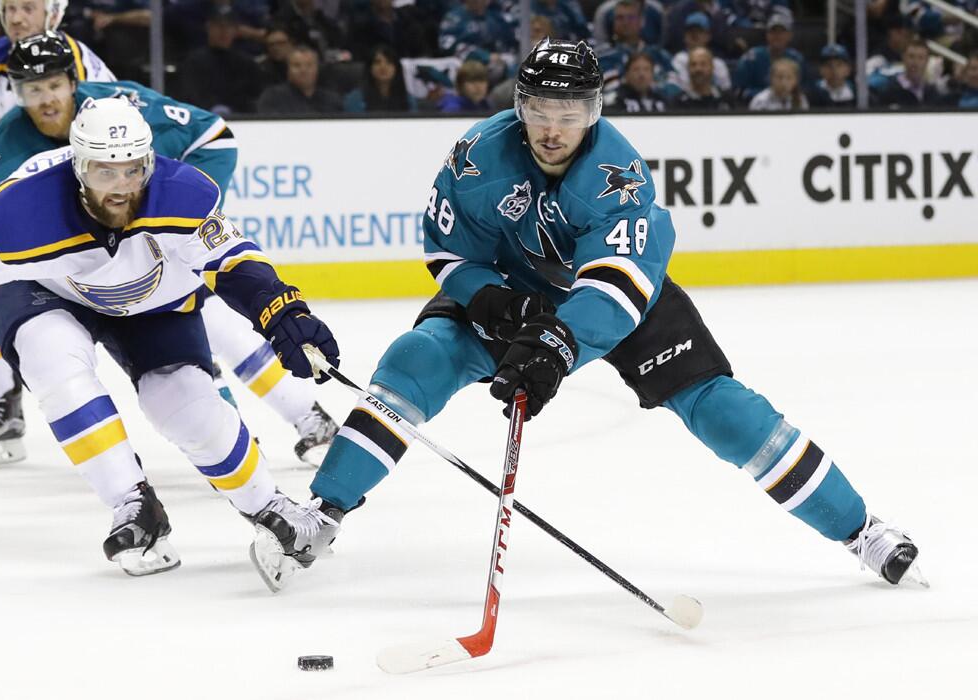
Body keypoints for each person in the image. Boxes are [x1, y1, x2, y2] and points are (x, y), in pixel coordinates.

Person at [248, 38, 925, 593]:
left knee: (726, 412)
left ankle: (860, 529)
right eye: (542, 109)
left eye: (571, 113)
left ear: (594, 112)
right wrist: (490, 299)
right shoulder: (477, 155)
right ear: (519, 105)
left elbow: (616, 289)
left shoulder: (620, 174)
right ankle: (324, 511)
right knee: (416, 359)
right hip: (514, 294)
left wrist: (554, 347)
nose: (553, 129)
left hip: (618, 307)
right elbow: (448, 249)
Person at [0, 95, 340, 581]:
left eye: (133, 169)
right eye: (104, 171)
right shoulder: (17, 212)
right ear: (77, 167)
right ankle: (132, 503)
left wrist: (282, 309)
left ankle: (270, 505)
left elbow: (236, 262)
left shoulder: (182, 192)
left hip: (154, 302)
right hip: (47, 293)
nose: (121, 186)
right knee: (54, 364)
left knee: (184, 402)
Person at [0, 33, 338, 480]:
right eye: (31, 90)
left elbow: (213, 137)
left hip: (137, 244)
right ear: (14, 93)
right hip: (52, 273)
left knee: (204, 318)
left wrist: (174, 223)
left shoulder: (121, 111)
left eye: (53, 85)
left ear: (74, 81)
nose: (45, 99)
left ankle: (293, 418)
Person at [0, 0, 114, 117]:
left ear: (53, 15)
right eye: (11, 8)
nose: (16, 19)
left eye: (28, 9)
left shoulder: (68, 57)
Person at [179, 8, 263, 114]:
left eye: (229, 27)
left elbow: (253, 96)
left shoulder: (246, 63)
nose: (224, 31)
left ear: (235, 31)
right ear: (209, 28)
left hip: (241, 120)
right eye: (219, 26)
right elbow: (191, 94)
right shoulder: (193, 61)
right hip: (204, 119)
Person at [734, 13, 803, 101]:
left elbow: (804, 88)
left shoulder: (796, 58)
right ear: (767, 34)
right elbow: (739, 91)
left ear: (790, 35)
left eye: (781, 32)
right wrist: (772, 94)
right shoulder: (751, 58)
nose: (777, 36)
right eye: (773, 31)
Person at [256, 44, 343, 114]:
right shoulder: (272, 97)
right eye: (297, 65)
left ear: (317, 69)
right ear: (288, 70)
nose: (303, 70)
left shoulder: (332, 99)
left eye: (309, 65)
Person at [870, 38, 945, 109]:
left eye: (921, 58)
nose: (915, 62)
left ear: (927, 61)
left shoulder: (933, 93)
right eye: (911, 56)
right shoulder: (889, 91)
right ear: (903, 58)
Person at [670, 12, 732, 94]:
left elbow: (726, 91)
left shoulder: (718, 64)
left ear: (708, 36)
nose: (694, 35)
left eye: (699, 31)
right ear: (684, 36)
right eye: (690, 31)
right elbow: (679, 89)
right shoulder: (679, 60)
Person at [343, 44, 415, 113]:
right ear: (370, 68)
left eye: (389, 62)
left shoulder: (408, 100)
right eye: (377, 62)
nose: (383, 67)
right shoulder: (355, 99)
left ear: (396, 68)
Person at [674, 46, 733, 110]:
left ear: (712, 67)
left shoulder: (726, 99)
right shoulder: (678, 102)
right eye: (693, 64)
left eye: (703, 64)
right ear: (688, 69)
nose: (698, 69)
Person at [807, 43, 856, 108]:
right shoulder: (811, 93)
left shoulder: (858, 93)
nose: (834, 70)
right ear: (821, 70)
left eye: (839, 65)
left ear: (848, 69)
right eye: (828, 65)